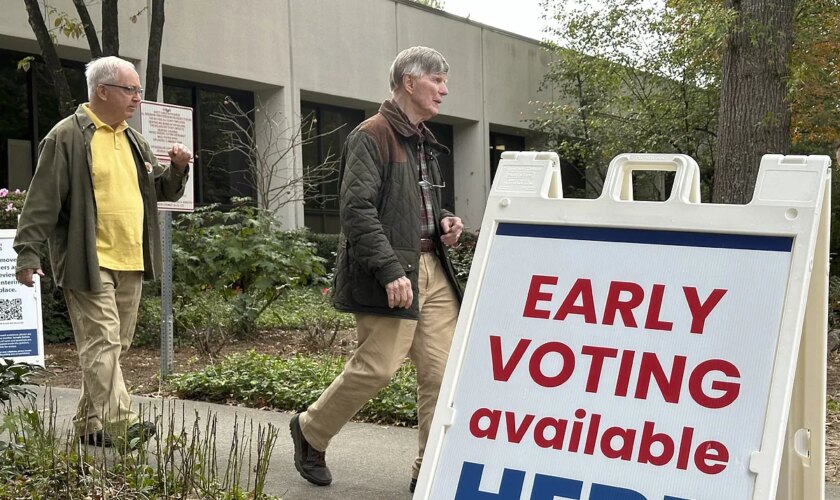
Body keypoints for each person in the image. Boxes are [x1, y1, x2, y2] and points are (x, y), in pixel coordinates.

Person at [289, 46, 464, 493]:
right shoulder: (372, 134)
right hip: (393, 271)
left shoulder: (424, 139)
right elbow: (358, 210)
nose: (444, 89)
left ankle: (428, 467)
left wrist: (443, 219)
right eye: (437, 80)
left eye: (445, 81)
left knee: (441, 374)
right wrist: (389, 270)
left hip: (433, 268)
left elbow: (411, 204)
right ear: (410, 82)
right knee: (378, 367)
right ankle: (311, 430)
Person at [13, 56, 191, 448]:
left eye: (139, 91)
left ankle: (89, 424)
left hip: (131, 259)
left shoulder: (133, 139)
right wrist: (28, 253)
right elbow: (41, 202)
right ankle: (121, 423)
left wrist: (177, 169)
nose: (137, 99)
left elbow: (160, 191)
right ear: (102, 91)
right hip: (87, 260)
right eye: (130, 90)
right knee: (103, 343)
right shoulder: (67, 137)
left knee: (114, 346)